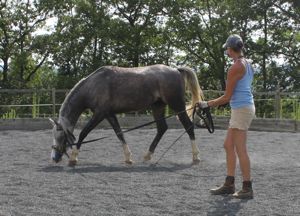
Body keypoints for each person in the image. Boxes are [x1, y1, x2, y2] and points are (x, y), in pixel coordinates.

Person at [199, 34, 255, 199]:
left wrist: (206, 104)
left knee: (240, 149)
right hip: (242, 108)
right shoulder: (248, 63)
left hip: (241, 109)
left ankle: (247, 188)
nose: (227, 53)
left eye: (227, 50)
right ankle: (229, 184)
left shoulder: (236, 67)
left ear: (232, 49)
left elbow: (226, 97)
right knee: (228, 145)